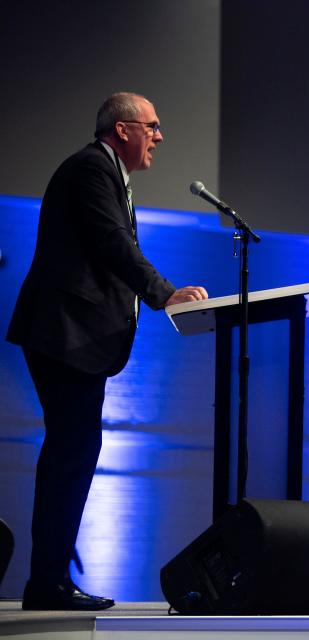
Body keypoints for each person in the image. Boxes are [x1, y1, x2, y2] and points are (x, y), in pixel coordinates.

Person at [6, 92, 208, 611]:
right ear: (123, 130)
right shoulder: (91, 169)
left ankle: (48, 579)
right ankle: (46, 583)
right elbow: (112, 244)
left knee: (74, 453)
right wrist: (164, 293)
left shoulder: (107, 173)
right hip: (63, 333)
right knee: (71, 454)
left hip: (71, 337)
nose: (159, 137)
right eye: (153, 126)